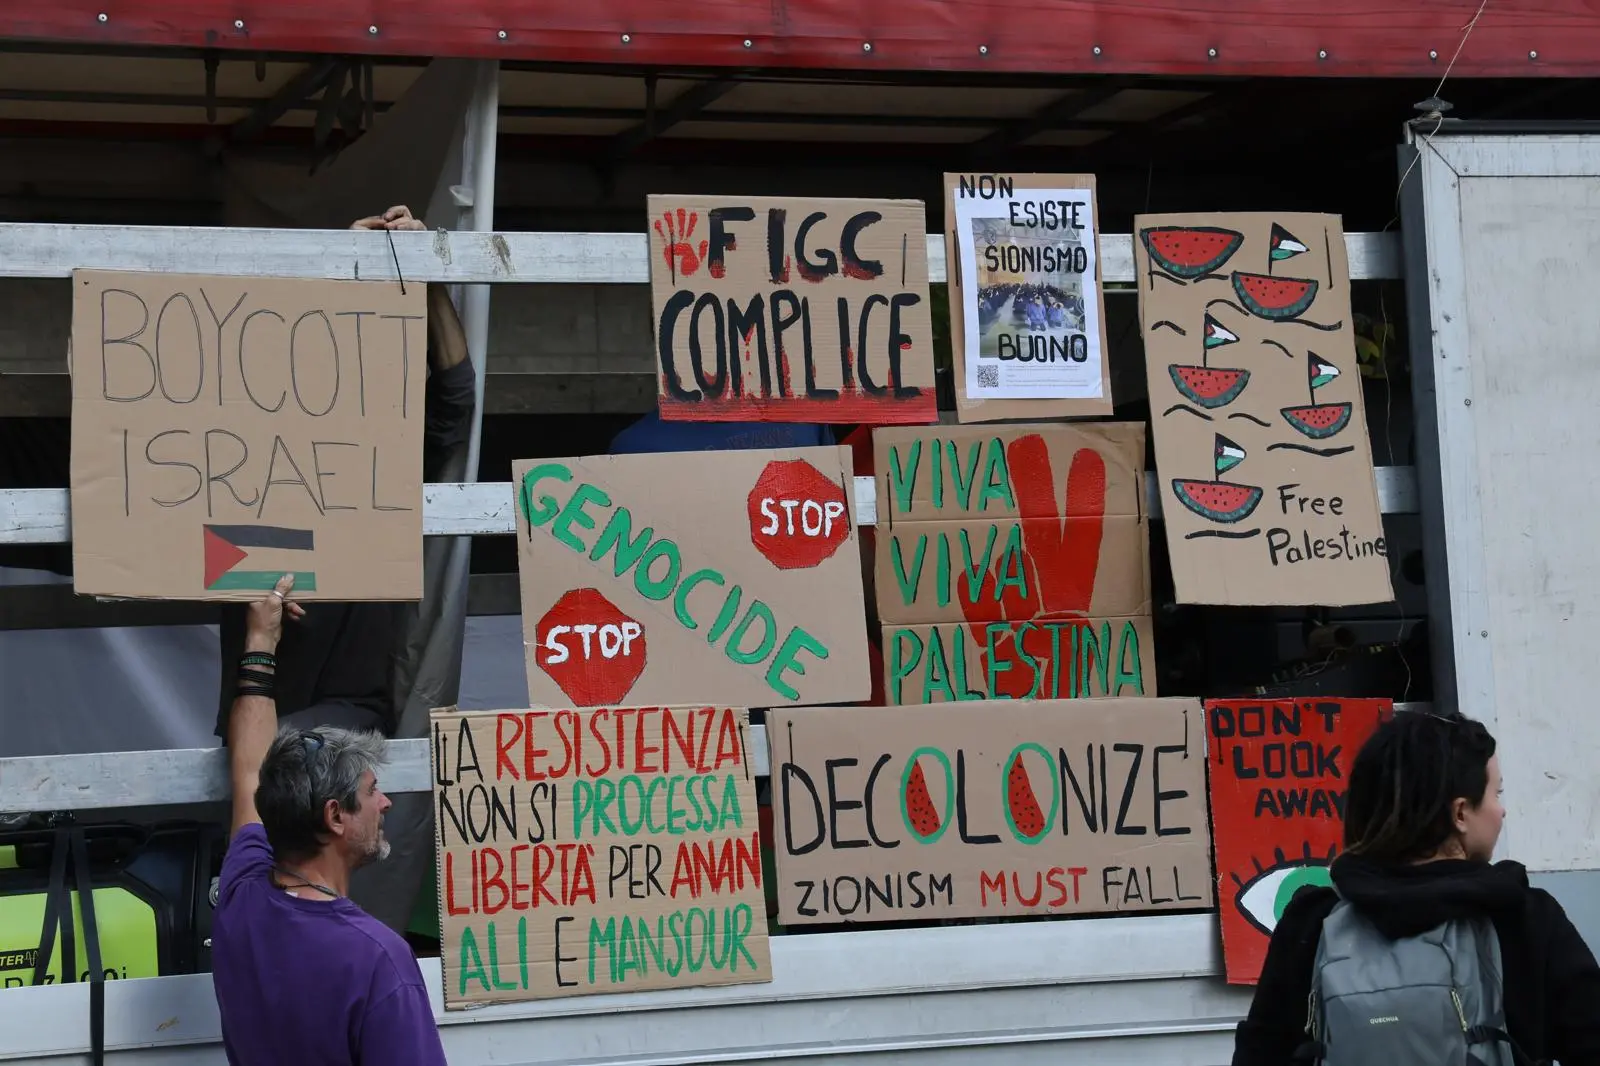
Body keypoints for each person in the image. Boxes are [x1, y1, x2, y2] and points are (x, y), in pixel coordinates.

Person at [211, 204, 475, 933]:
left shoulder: (384, 443)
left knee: (320, 904)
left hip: (343, 715)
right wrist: (321, 268)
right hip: (261, 702)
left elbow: (456, 398)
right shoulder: (242, 441)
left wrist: (424, 279)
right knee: (260, 896)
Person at [1233, 709, 1600, 1066]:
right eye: (1496, 793)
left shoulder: (1312, 922)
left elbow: (1259, 1053)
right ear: (1460, 813)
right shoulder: (1523, 917)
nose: (1500, 811)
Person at [212, 574, 448, 1066]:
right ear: (335, 816)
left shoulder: (241, 899)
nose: (386, 803)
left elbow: (251, 768)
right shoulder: (378, 960)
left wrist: (260, 640)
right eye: (372, 791)